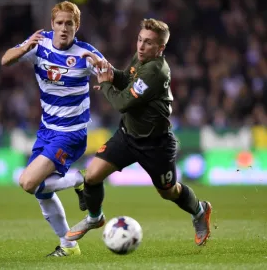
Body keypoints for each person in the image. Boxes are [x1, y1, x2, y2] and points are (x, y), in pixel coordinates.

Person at [65, 18, 212, 246]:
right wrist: (108, 70)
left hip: (156, 144)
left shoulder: (156, 70)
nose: (141, 47)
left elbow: (123, 103)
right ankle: (95, 218)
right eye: (140, 40)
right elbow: (126, 79)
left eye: (149, 43)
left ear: (160, 48)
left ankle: (199, 210)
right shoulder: (142, 58)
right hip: (128, 135)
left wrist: (105, 84)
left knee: (169, 192)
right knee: (92, 176)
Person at [1, 0, 104, 257]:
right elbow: (5, 60)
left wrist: (104, 78)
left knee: (27, 182)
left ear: (76, 26)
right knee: (41, 193)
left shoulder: (85, 53)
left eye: (69, 23)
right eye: (59, 23)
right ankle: (68, 245)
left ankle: (82, 179)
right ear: (52, 24)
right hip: (47, 130)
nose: (64, 28)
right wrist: (26, 47)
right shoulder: (40, 43)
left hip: (71, 133)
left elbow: (111, 74)